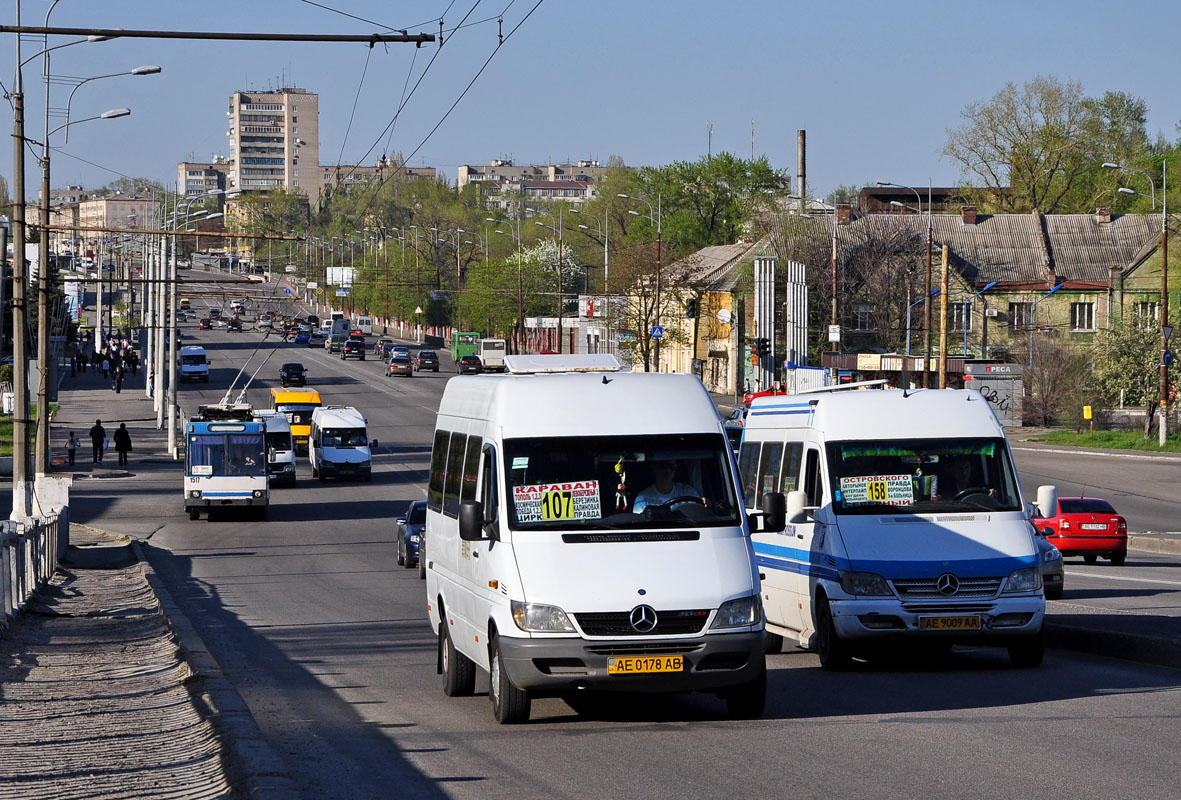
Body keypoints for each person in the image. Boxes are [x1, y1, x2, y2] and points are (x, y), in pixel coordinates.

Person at [633, 461, 702, 513]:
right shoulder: (643, 498)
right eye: (664, 466)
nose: (668, 471)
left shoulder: (688, 492)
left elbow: (700, 513)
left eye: (672, 467)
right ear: (654, 468)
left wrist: (704, 505)